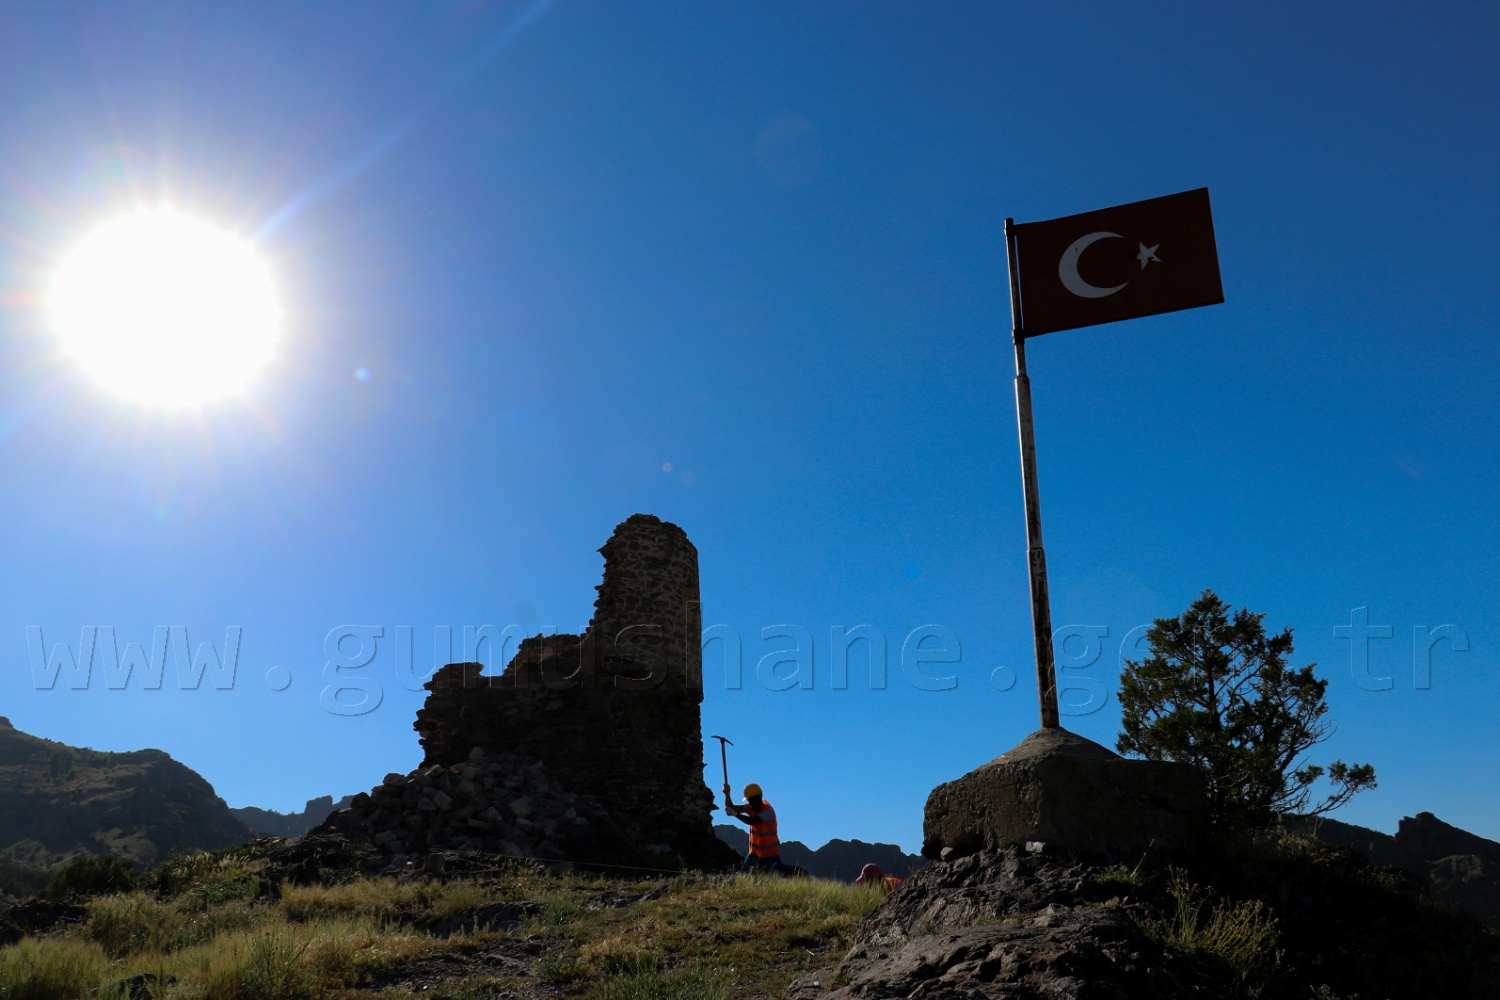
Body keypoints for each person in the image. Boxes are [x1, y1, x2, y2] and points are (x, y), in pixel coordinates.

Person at [723, 782, 785, 874]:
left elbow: (752, 821)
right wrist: (727, 794)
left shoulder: (768, 811)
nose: (750, 803)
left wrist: (735, 814)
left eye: (751, 800)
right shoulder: (751, 808)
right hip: (754, 854)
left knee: (772, 882)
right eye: (749, 801)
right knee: (745, 877)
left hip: (771, 856)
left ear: (759, 797)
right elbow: (731, 807)